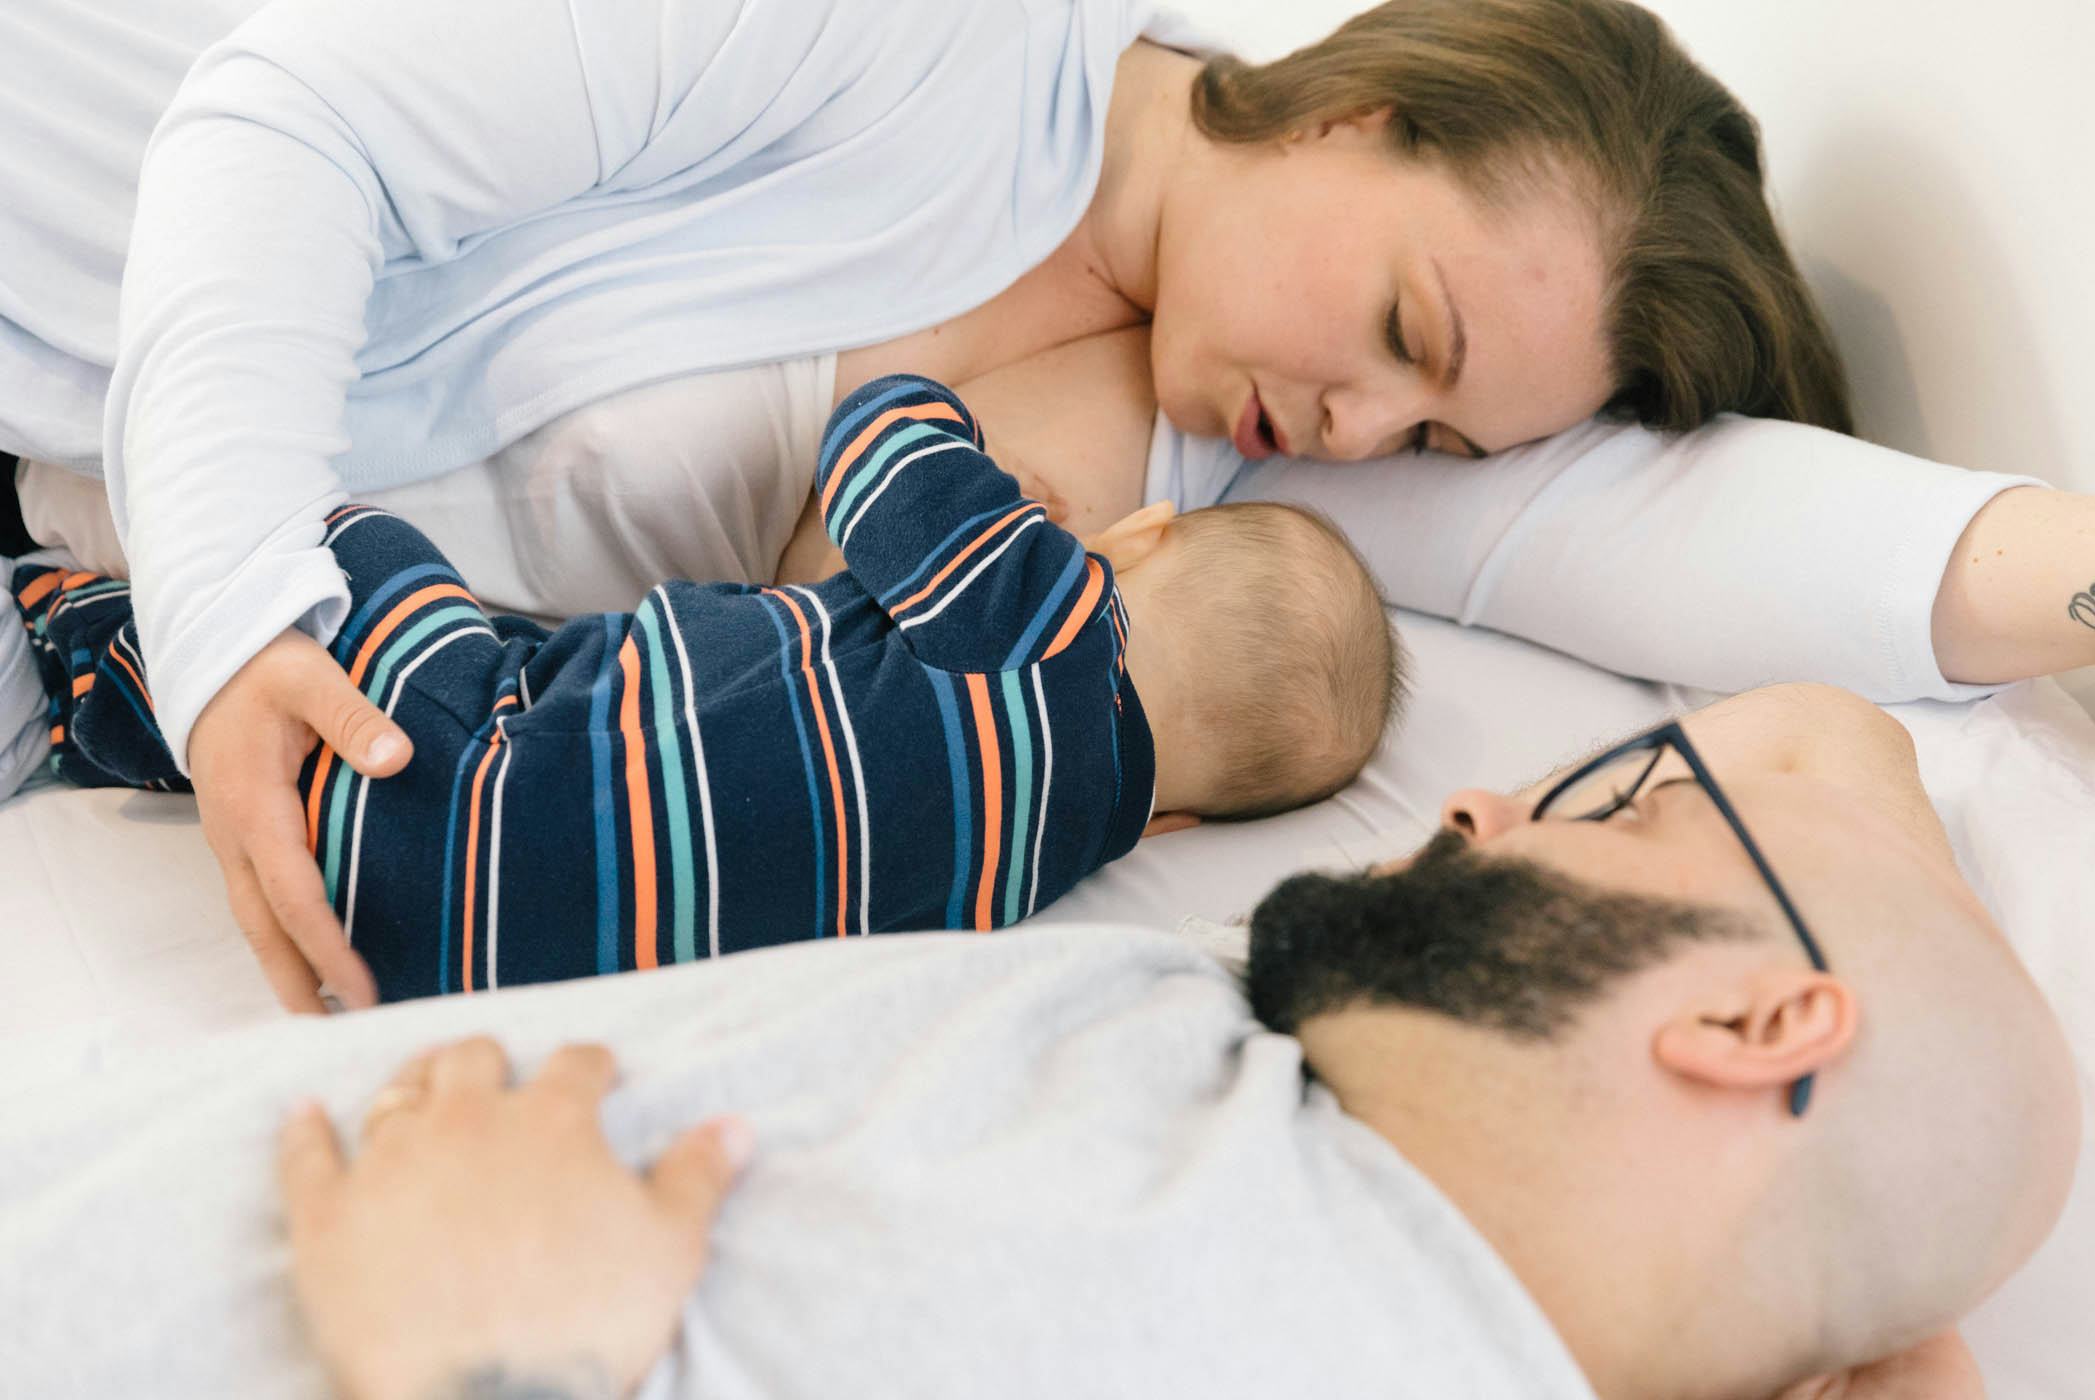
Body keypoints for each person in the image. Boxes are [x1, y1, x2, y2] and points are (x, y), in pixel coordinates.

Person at [0, 0, 1911, 1002]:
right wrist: (234, 611)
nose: (1357, 426)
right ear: (1355, 108)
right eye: (1408, 331)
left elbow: (1654, 543)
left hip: (63, 571)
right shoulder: (936, 35)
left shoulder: (1168, 502)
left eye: (1431, 440)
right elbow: (293, 125)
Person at [0, 684, 2074, 1397]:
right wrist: (1852, 1277)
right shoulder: (1279, 1041)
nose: (1474, 803)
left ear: (1751, 1021)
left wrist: (490, 1367)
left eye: (1603, 815)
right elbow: (1829, 735)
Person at [5, 374, 1399, 1005]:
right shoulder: (1048, 867)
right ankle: (88, 680)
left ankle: (57, 524)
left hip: (461, 745)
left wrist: (987, 471)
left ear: (1140, 541)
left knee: (326, 533)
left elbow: (878, 434)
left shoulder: (1047, 617)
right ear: (1183, 824)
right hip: (448, 961)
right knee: (358, 718)